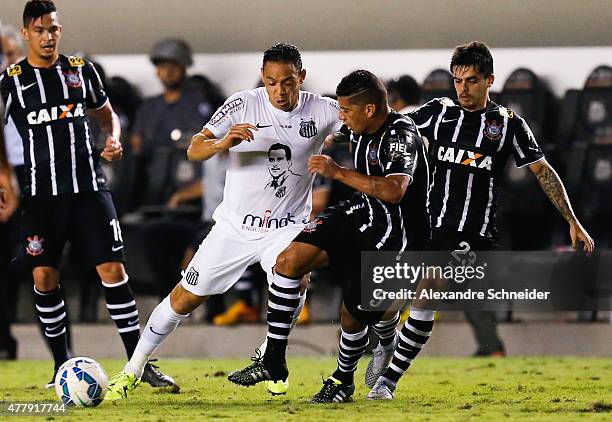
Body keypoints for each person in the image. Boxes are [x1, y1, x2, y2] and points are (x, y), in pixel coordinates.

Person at [105, 42, 342, 400]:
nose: (280, 90)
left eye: (288, 82)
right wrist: (222, 143)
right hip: (234, 228)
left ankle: (271, 354)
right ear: (263, 78)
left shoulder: (323, 110)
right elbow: (194, 148)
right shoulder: (242, 103)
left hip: (287, 226)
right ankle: (133, 368)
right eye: (272, 81)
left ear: (301, 78)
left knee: (294, 271)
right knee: (183, 299)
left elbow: (364, 120)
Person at [366, 41, 595, 400]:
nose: (463, 88)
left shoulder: (508, 125)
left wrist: (573, 221)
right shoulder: (437, 113)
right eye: (457, 80)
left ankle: (387, 382)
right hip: (426, 225)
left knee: (429, 288)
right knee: (387, 301)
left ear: (489, 80)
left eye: (471, 80)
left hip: (472, 233)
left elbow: (542, 171)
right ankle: (384, 343)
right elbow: (391, 126)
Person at [0, 0, 174, 388]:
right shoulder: (11, 81)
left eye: (54, 30)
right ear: (26, 33)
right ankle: (62, 368)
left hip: (89, 188)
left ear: (60, 32)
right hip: (41, 194)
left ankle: (140, 363)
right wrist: (6, 180)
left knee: (113, 271)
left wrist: (112, 136)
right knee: (44, 276)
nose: (48, 37)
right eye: (40, 30)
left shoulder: (81, 71)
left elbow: (106, 112)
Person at [228, 70, 430, 402]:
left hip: (397, 235)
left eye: (347, 111)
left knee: (351, 316)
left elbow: (395, 191)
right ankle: (274, 361)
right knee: (288, 262)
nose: (341, 117)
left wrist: (337, 171)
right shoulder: (360, 126)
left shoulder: (401, 134)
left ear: (369, 110)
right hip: (361, 212)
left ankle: (344, 379)